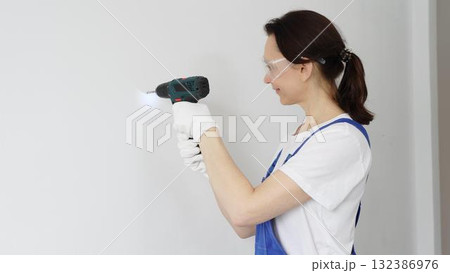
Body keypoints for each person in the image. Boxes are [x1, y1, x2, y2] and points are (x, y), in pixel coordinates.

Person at [172, 9, 373, 255]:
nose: (267, 79)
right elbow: (244, 225)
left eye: (271, 67)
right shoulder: (302, 137)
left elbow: (243, 209)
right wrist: (209, 165)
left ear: (304, 68)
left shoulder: (340, 141)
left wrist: (205, 130)